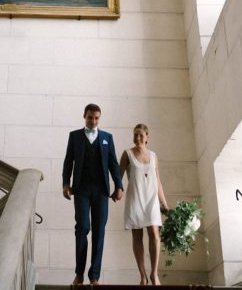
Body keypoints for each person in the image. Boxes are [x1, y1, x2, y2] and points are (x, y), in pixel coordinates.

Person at [62, 103, 124, 286]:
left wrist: (119, 186)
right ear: (84, 116)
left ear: (99, 118)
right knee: (82, 228)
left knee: (99, 231)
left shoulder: (107, 138)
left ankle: (94, 276)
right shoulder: (74, 136)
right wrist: (66, 183)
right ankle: (79, 274)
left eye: (96, 118)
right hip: (81, 190)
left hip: (101, 191)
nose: (93, 121)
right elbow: (68, 162)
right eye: (90, 117)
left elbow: (113, 164)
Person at [119, 124, 170, 285]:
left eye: (141, 135)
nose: (138, 138)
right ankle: (142, 275)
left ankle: (154, 274)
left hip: (151, 199)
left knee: (154, 233)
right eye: (135, 135)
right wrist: (117, 190)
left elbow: (158, 182)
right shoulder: (127, 154)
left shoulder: (154, 156)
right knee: (137, 235)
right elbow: (117, 177)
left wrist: (165, 205)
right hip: (135, 198)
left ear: (147, 137)